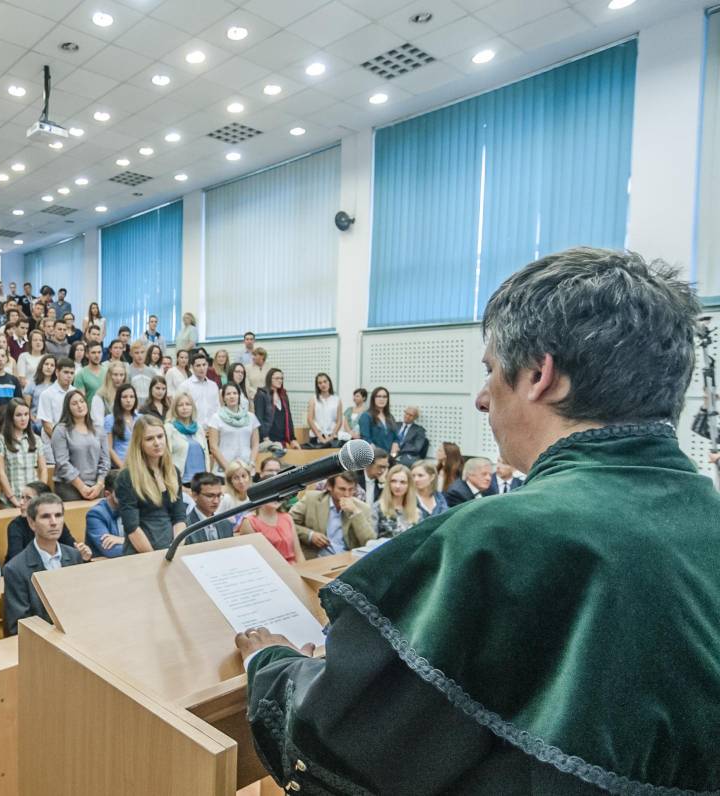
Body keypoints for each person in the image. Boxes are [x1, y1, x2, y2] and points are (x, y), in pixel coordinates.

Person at [238, 248, 720, 793]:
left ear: (541, 375)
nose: (480, 398)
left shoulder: (496, 537)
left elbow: (333, 739)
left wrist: (268, 663)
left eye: (491, 370)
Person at [2, 493, 85, 636]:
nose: (54, 522)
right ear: (31, 523)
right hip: (42, 644)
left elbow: (82, 606)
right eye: (46, 516)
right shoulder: (15, 569)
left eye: (58, 515)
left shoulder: (74, 556)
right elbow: (19, 627)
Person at [114, 415, 186, 554]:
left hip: (171, 548)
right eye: (149, 439)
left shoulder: (173, 471)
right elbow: (132, 528)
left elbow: (179, 518)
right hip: (141, 552)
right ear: (139, 443)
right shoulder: (127, 477)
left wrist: (176, 549)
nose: (157, 443)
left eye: (160, 436)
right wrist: (154, 557)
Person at [289, 472, 375, 558]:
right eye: (342, 489)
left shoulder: (361, 508)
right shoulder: (311, 499)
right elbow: (288, 524)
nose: (347, 494)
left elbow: (369, 542)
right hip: (316, 558)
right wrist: (310, 535)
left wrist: (355, 513)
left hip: (348, 559)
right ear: (329, 486)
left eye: (351, 489)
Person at [3, 481, 86, 563]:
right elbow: (16, 560)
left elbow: (72, 549)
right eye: (22, 497)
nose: (21, 503)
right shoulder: (16, 525)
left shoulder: (55, 522)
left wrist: (83, 554)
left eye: (28, 498)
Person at [50, 389, 110, 503]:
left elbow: (105, 460)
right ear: (68, 408)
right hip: (69, 487)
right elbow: (62, 462)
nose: (80, 406)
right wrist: (81, 487)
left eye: (82, 401)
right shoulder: (61, 430)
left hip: (96, 486)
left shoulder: (98, 429)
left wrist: (99, 484)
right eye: (74, 403)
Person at [0, 399, 47, 508]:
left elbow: (43, 469)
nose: (23, 419)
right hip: (12, 499)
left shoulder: (36, 439)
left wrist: (40, 494)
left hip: (33, 499)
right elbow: (0, 473)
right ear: (11, 417)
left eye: (26, 414)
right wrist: (14, 499)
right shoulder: (0, 440)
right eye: (18, 415)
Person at [207, 383, 259, 474]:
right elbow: (213, 447)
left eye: (235, 393)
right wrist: (229, 470)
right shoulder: (216, 418)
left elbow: (255, 444)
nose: (232, 396)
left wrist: (251, 464)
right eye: (228, 394)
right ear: (223, 398)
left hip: (247, 470)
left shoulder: (251, 417)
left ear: (239, 396)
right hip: (224, 472)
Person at [238, 499, 303, 564]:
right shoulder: (249, 522)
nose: (276, 497)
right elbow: (254, 560)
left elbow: (299, 553)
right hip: (271, 570)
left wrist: (302, 570)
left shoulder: (287, 517)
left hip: (296, 568)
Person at [165, 391, 208, 487]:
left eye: (188, 404)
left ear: (192, 407)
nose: (184, 407)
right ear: (175, 408)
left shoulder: (198, 428)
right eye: (180, 405)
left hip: (202, 480)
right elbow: (166, 457)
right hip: (181, 482)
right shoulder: (169, 428)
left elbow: (206, 456)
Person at [183, 471, 235, 545]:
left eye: (219, 495)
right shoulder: (184, 527)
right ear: (195, 495)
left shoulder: (226, 524)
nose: (216, 501)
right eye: (210, 496)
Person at [84, 469, 126, 559]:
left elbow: (156, 537)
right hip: (104, 566)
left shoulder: (135, 507)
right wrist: (140, 544)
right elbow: (111, 551)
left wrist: (122, 540)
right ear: (107, 494)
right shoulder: (95, 514)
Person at [254, 368, 298, 449]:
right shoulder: (261, 394)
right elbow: (258, 418)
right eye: (277, 378)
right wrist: (264, 436)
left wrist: (292, 438)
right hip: (268, 439)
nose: (280, 381)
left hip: (282, 439)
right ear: (269, 379)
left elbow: (289, 418)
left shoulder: (283, 395)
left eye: (281, 378)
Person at [373, 463, 419, 539]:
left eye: (403, 482)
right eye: (393, 481)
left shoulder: (416, 512)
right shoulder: (378, 508)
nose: (397, 486)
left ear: (409, 485)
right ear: (388, 483)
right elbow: (371, 539)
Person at [36, 357, 76, 438]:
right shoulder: (46, 394)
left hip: (74, 440)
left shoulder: (76, 392)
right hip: (52, 443)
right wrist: (61, 441)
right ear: (57, 372)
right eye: (66, 372)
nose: (69, 376)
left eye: (72, 373)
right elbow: (47, 425)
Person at [104, 384, 138, 468]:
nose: (128, 400)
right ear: (118, 399)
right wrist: (122, 468)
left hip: (138, 465)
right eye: (124, 397)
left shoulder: (140, 418)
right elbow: (109, 448)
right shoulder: (110, 419)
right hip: (119, 466)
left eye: (131, 397)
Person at [306, 373, 343, 448]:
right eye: (320, 383)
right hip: (316, 436)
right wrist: (320, 437)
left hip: (332, 436)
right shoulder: (313, 400)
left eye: (325, 381)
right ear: (317, 386)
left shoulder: (337, 400)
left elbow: (339, 420)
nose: (323, 384)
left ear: (329, 382)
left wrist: (332, 436)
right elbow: (310, 419)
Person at [182, 351, 219, 424]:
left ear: (207, 365)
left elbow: (217, 408)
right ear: (192, 367)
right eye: (198, 365)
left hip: (212, 427)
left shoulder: (213, 385)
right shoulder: (185, 386)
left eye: (204, 365)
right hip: (194, 428)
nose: (202, 368)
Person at [358, 386, 396, 451]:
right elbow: (365, 439)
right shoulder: (366, 416)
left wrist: (396, 443)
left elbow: (395, 436)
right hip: (375, 455)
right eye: (378, 396)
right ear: (373, 399)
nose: (382, 399)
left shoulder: (390, 416)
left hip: (389, 456)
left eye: (384, 397)